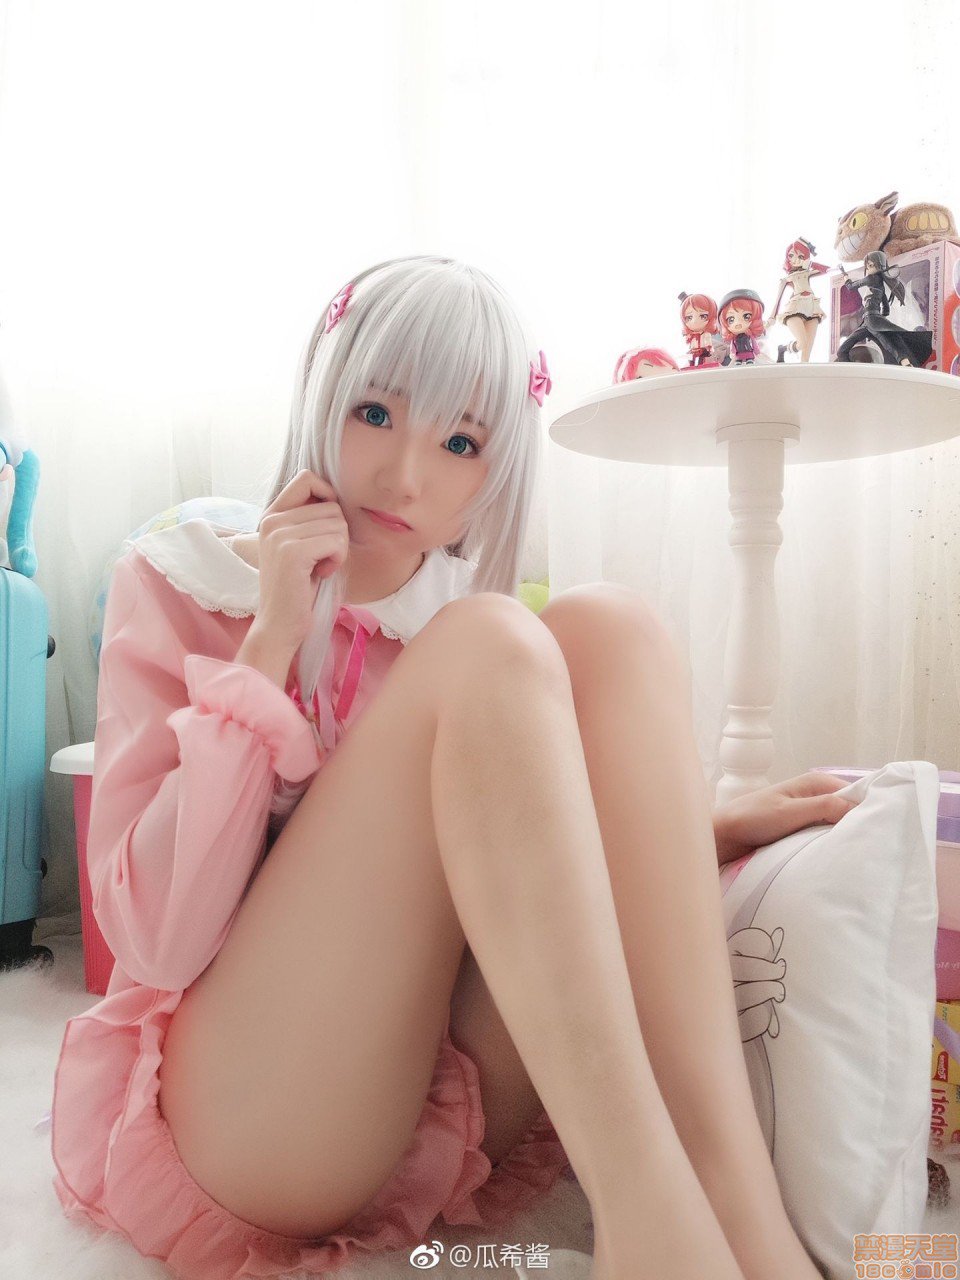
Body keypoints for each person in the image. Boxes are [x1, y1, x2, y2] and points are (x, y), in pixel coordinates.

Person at [50, 255, 851, 1280]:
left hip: (430, 1096)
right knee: (494, 641)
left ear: (493, 474)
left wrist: (700, 830)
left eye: (460, 441)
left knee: (610, 627)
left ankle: (740, 1218)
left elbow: (501, 881)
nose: (406, 473)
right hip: (248, 1119)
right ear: (324, 396)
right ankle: (651, 1224)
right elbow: (156, 942)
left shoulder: (469, 634)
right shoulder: (179, 582)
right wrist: (270, 641)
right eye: (376, 412)